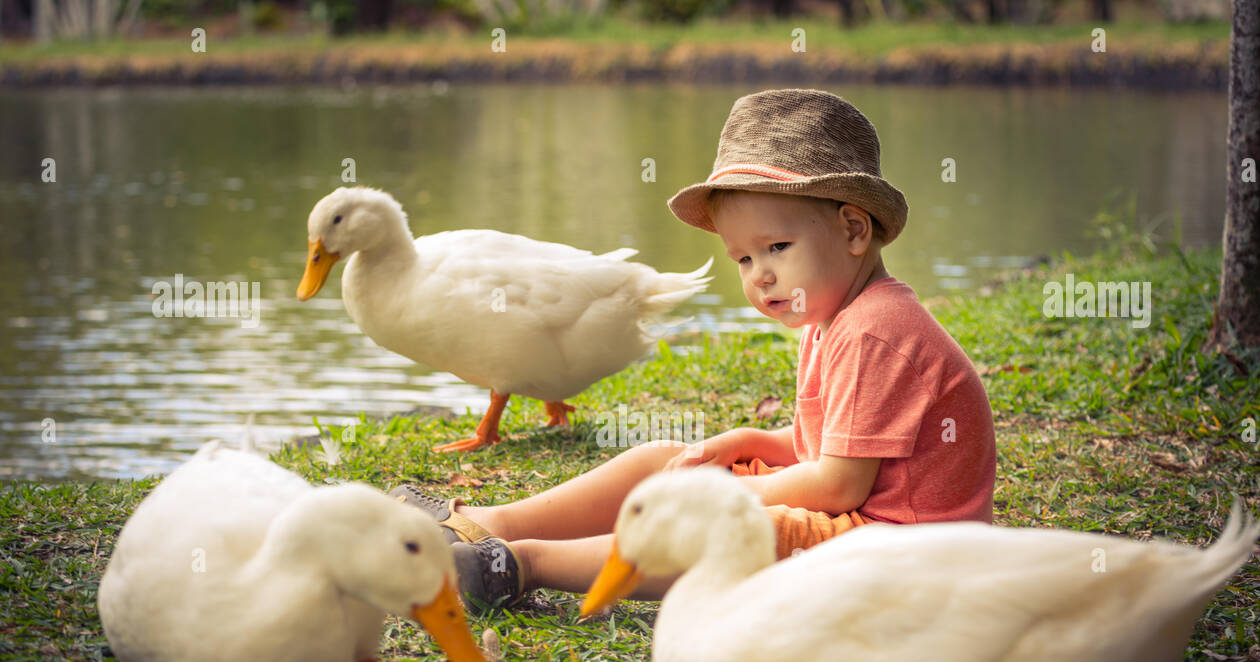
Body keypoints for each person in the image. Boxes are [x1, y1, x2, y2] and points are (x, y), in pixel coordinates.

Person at [395, 88, 995, 609]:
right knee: (664, 457)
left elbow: (839, 486)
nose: (760, 274)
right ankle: (479, 524)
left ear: (853, 229)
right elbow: (823, 443)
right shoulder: (834, 316)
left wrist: (730, 493)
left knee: (730, 524)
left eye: (778, 247)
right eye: (744, 258)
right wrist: (743, 444)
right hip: (858, 515)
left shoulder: (875, 332)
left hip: (904, 547)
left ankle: (520, 564)